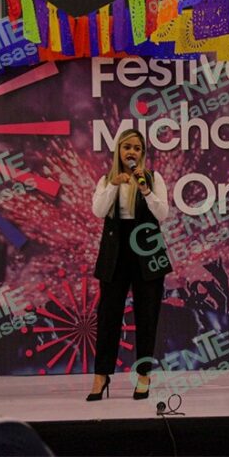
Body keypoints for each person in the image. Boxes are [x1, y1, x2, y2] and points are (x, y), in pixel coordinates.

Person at [87, 129, 172, 401]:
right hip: (116, 252)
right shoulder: (105, 180)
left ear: (142, 153)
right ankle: (101, 375)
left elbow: (162, 213)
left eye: (137, 148)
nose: (131, 152)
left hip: (147, 250)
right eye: (127, 147)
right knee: (108, 316)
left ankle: (144, 374)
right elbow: (99, 211)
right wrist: (114, 184)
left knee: (147, 316)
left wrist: (145, 189)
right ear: (118, 151)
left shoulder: (153, 178)